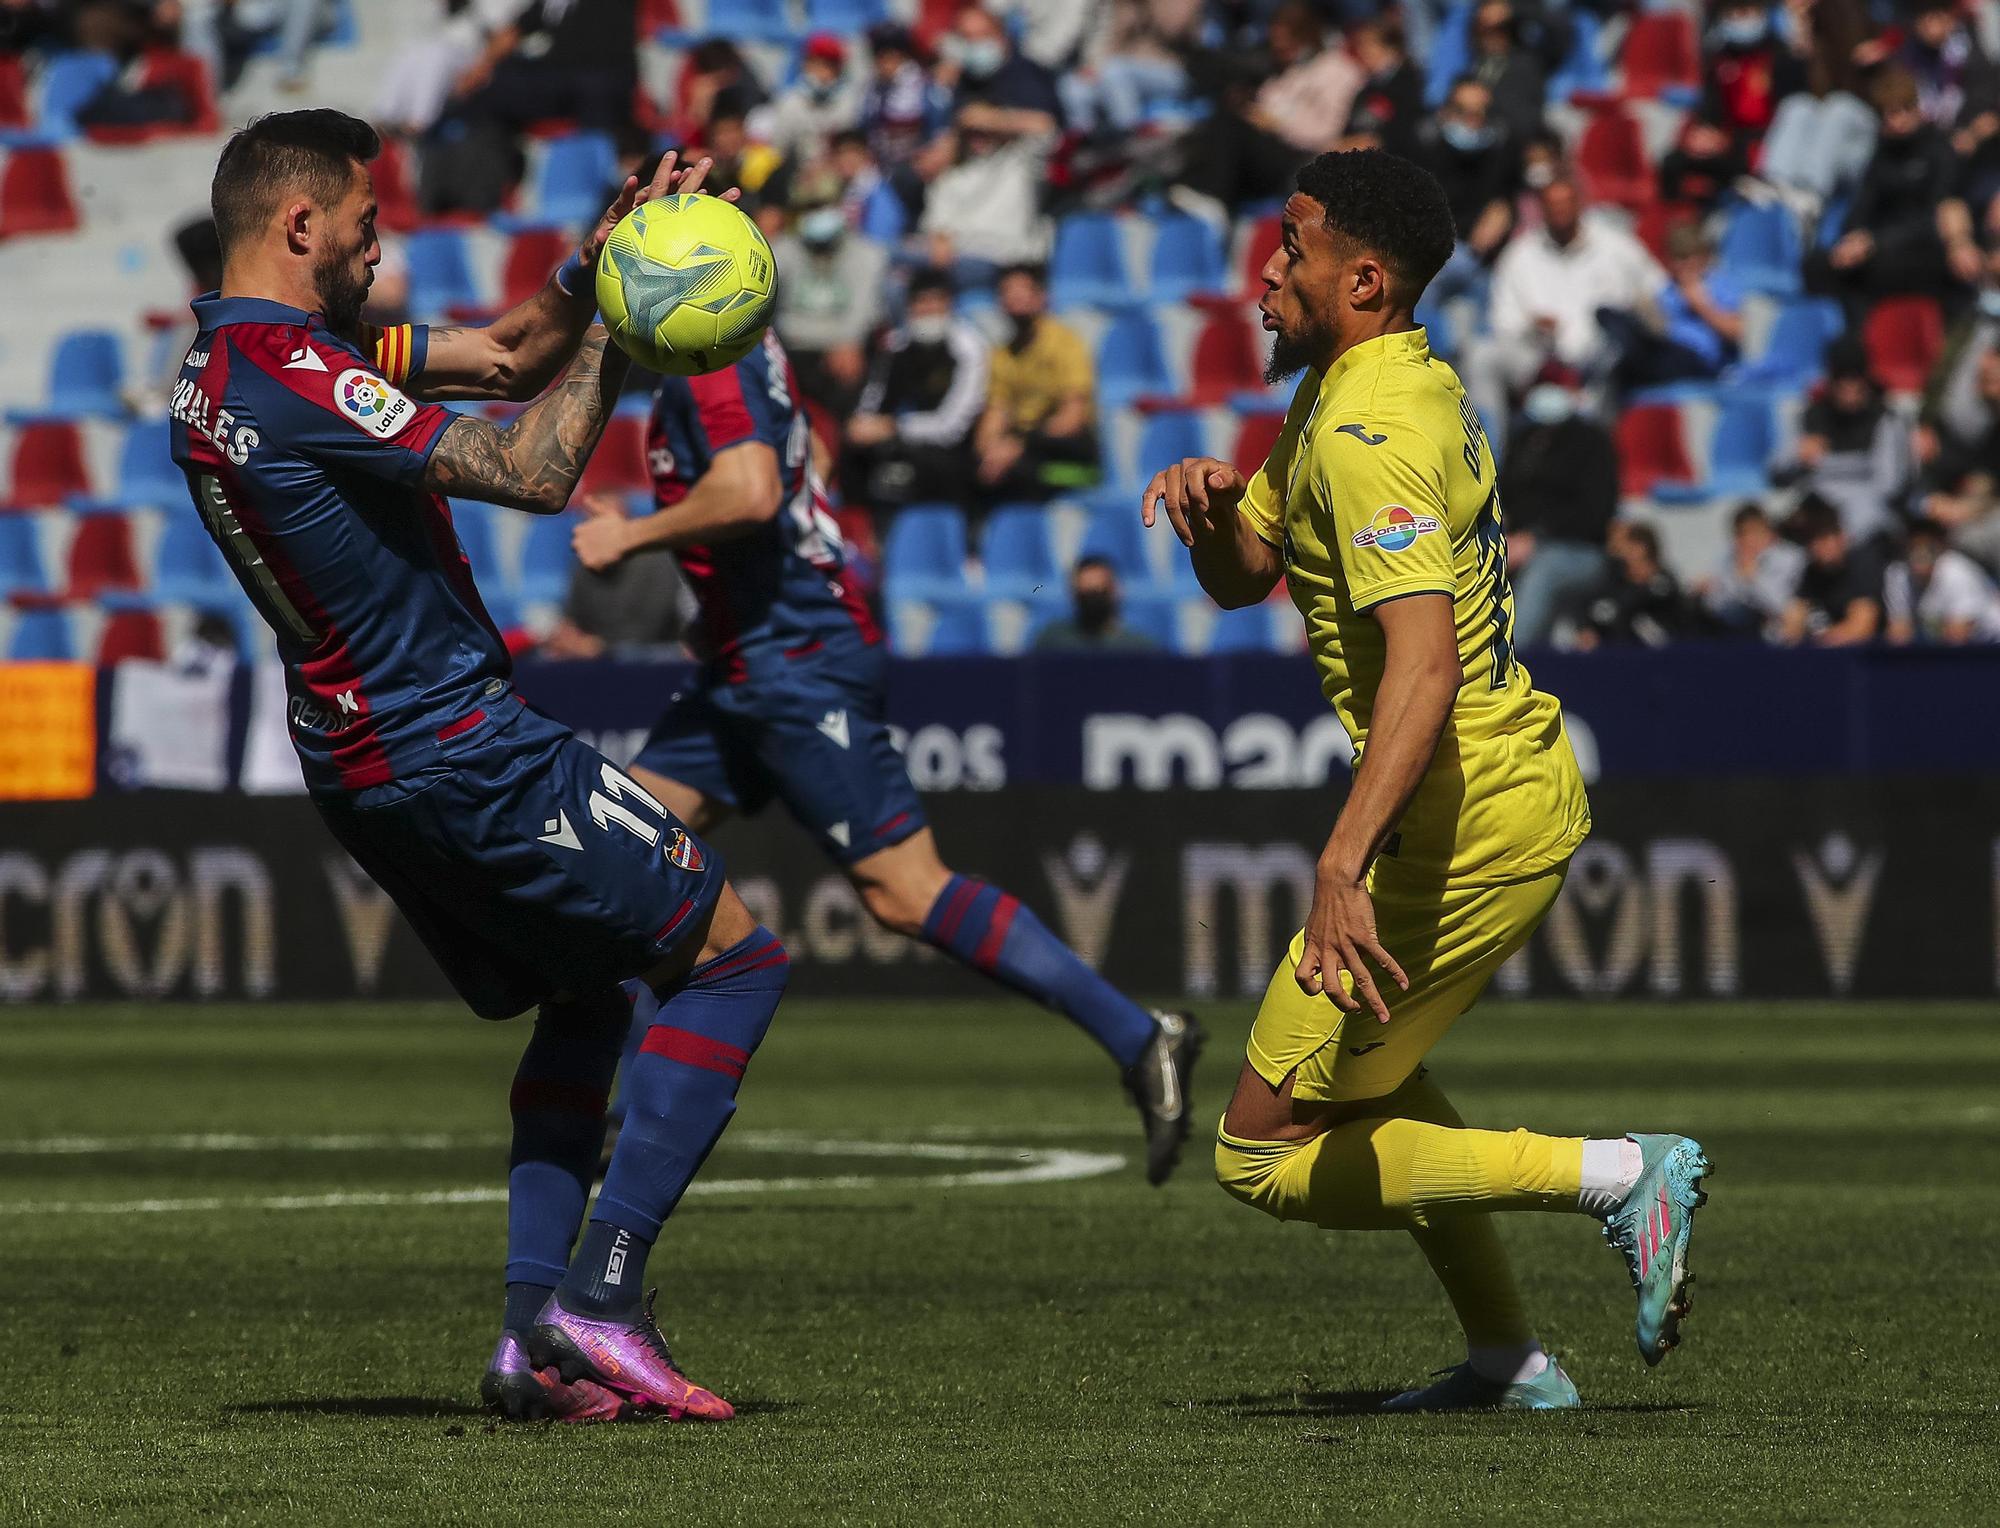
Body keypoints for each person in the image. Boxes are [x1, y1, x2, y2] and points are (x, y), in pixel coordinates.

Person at [170, 111, 785, 1426]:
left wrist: (592, 260)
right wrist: (636, 311)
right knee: (735, 957)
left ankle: (528, 1348)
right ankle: (602, 1296)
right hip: (454, 743)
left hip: (364, 761)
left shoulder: (247, 361)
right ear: (299, 226)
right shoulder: (294, 368)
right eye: (364, 220)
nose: (378, 242)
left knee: (586, 999)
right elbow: (532, 464)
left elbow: (508, 361)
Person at [1140, 149, 1708, 1411]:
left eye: (1288, 250)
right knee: (1378, 1084)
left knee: (1256, 1147)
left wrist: (1339, 860)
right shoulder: (1366, 386)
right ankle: (1508, 1360)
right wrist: (1208, 512)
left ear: (1362, 275)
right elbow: (1249, 570)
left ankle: (1620, 1171)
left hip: (1466, 821)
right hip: (1492, 800)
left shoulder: (1366, 430)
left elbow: (1425, 664)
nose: (1263, 272)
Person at [568, 329, 1203, 1183]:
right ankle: (627, 1119)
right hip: (745, 664)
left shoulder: (710, 365)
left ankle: (1140, 1036)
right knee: (629, 857)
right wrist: (730, 596)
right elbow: (813, 460)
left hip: (796, 664)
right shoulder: (751, 349)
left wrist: (635, 538)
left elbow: (754, 490)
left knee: (907, 893)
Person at [1464, 177, 1666, 447]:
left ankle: (1595, 452)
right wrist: (1532, 325)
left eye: (1566, 203)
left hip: (1597, 356)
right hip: (1538, 356)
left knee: (1613, 355)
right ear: (1541, 209)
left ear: (1580, 204)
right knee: (1481, 356)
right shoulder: (1520, 255)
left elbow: (1658, 291)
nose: (1559, 211)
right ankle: (1490, 458)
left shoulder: (1617, 247)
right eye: (1552, 205)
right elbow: (1503, 322)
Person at [841, 268, 989, 512]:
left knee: (935, 464)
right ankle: (857, 530)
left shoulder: (970, 349)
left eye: (936, 301)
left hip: (950, 449)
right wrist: (862, 424)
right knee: (852, 448)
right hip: (901, 438)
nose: (929, 309)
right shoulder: (895, 345)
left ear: (949, 304)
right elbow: (873, 399)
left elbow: (953, 426)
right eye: (921, 301)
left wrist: (894, 428)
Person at [1497, 377, 1619, 647]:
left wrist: (1536, 539)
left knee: (1545, 570)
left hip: (1580, 552)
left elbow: (1595, 514)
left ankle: (1511, 655)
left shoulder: (1592, 442)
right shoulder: (1524, 440)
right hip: (1517, 545)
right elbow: (1503, 495)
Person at [1771, 337, 1912, 548]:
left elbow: (1890, 487)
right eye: (1841, 379)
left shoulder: (1885, 420)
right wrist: (1797, 458)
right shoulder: (1810, 417)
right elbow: (1777, 475)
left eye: (1855, 379)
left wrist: (1839, 511)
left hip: (1866, 521)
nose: (1848, 387)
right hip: (1815, 517)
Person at [975, 264, 1099, 503]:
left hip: (1065, 452)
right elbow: (994, 414)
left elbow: (1071, 419)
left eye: (1022, 293)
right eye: (1007, 294)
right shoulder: (1002, 354)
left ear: (1041, 297)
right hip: (1019, 443)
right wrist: (990, 449)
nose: (1015, 301)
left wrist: (1018, 446)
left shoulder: (1065, 343)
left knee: (1021, 473)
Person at [540, 492, 693, 659]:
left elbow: (647, 632)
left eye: (601, 521)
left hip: (654, 659)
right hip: (597, 659)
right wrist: (568, 636)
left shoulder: (656, 561)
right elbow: (573, 618)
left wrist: (599, 647)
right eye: (588, 520)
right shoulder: (583, 565)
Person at [771, 197, 889, 415]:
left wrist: (849, 341)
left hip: (844, 349)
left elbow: (862, 310)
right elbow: (773, 307)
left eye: (826, 207)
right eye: (812, 208)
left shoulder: (866, 253)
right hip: (794, 350)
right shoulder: (784, 249)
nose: (819, 216)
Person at [1601, 223, 1746, 388]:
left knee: (1651, 358)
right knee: (1616, 326)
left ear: (1704, 257)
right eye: (1678, 258)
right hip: (1665, 350)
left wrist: (1702, 306)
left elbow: (1738, 333)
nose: (1684, 265)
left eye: (1689, 257)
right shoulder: (1667, 290)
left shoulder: (1719, 285)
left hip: (1701, 360)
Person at [1781, 493, 1886, 644]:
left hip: (1875, 656)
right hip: (1833, 653)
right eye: (1811, 540)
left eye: (1824, 538)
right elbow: (1795, 617)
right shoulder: (1811, 571)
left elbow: (1861, 627)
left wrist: (1814, 643)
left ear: (1842, 538)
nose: (1818, 546)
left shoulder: (1863, 563)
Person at [1570, 520, 1693, 649]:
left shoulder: (1663, 581)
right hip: (1611, 656)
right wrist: (1584, 628)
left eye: (1624, 544)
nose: (1617, 549)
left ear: (1641, 548)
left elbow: (1631, 605)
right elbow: (1582, 602)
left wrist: (1610, 608)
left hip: (1659, 656)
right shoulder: (1615, 579)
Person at [1697, 502, 1807, 638]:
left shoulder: (1790, 557)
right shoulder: (1728, 556)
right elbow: (1717, 605)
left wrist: (1754, 581)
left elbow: (1783, 606)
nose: (1748, 540)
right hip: (1737, 630)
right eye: (1742, 534)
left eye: (1754, 532)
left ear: (1769, 533)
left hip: (1779, 632)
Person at [1884, 515, 2000, 642]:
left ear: (1941, 547)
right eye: (1914, 547)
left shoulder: (1958, 573)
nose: (1920, 554)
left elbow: (1957, 637)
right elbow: (1898, 634)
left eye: (1928, 547)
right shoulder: (1898, 575)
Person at [1033, 555, 1158, 651]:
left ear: (1116, 591)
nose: (1093, 600)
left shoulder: (1138, 648)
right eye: (1086, 593)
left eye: (1100, 591)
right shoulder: (1053, 643)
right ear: (1073, 593)